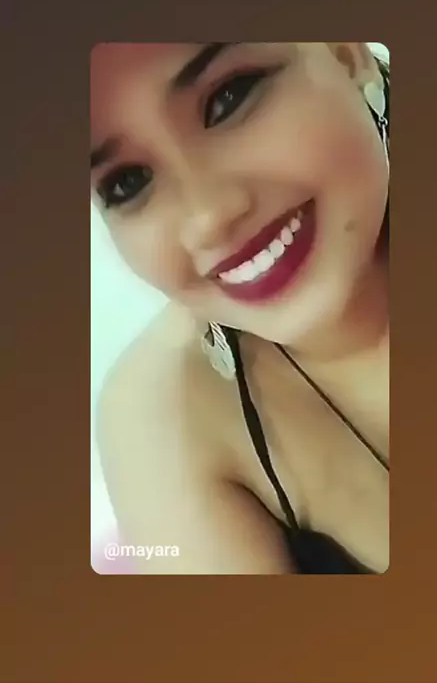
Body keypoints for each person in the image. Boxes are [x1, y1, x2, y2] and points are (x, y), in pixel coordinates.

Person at [91, 42, 389, 574]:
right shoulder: (163, 412)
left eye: (229, 97)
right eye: (126, 182)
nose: (209, 216)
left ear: (345, 52)